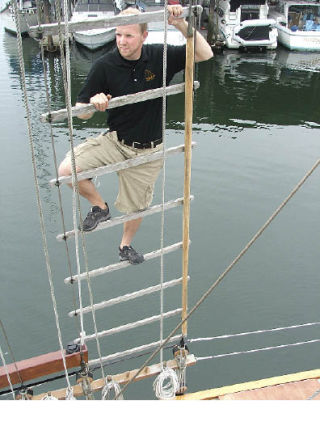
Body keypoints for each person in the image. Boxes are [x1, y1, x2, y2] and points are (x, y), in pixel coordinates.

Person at [58, 5, 213, 265]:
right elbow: (80, 113)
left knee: (136, 207)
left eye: (129, 36)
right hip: (116, 141)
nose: (122, 41)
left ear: (144, 35)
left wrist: (179, 24)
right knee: (66, 171)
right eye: (118, 35)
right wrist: (92, 104)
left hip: (149, 150)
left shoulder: (159, 56)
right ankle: (100, 207)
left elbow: (204, 53)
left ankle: (125, 246)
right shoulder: (104, 66)